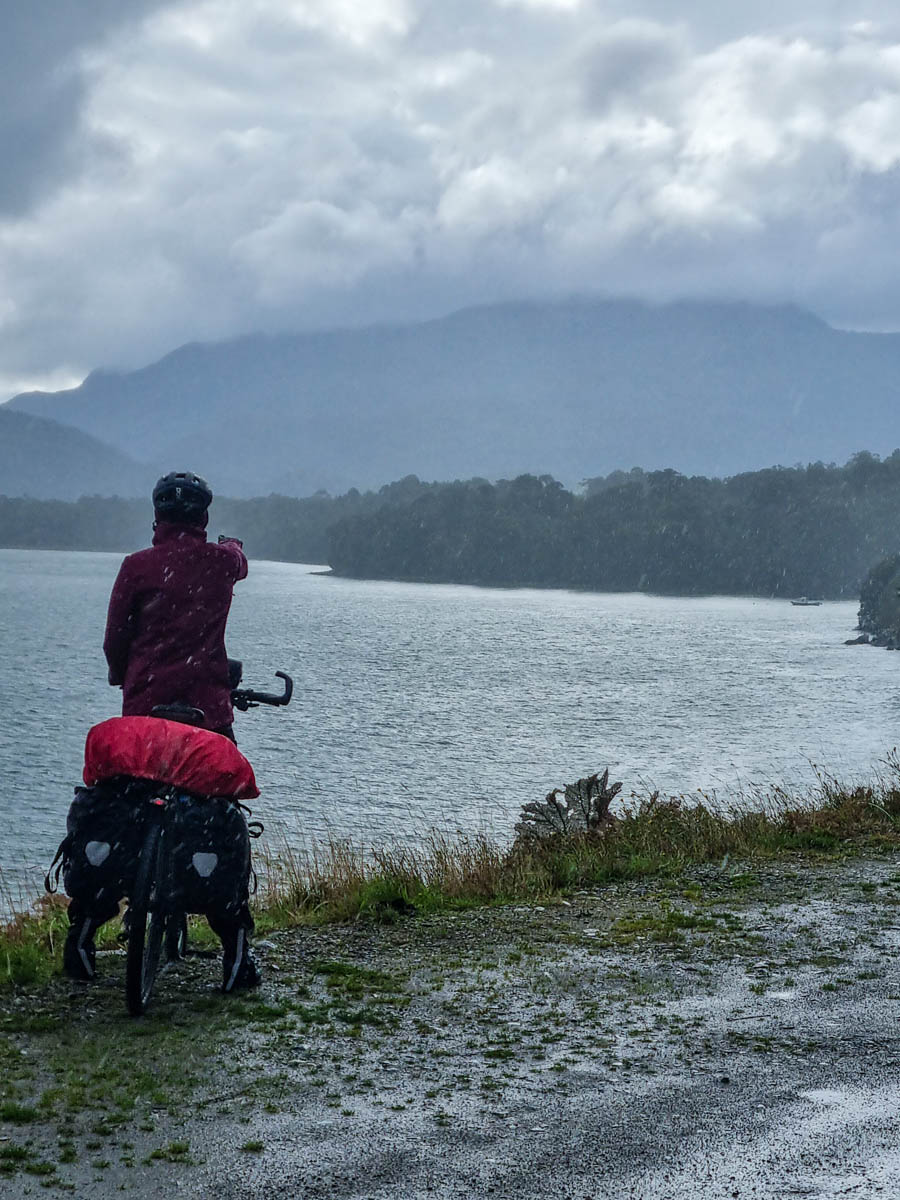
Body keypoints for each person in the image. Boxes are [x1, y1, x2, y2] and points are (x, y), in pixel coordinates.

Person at [63, 471, 260, 991]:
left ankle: (83, 933)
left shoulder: (137, 567)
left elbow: (114, 641)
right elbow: (239, 559)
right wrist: (231, 545)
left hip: (143, 721)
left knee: (119, 810)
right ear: (203, 518)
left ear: (157, 518)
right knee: (221, 815)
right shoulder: (221, 564)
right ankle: (237, 953)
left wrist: (122, 677)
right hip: (207, 722)